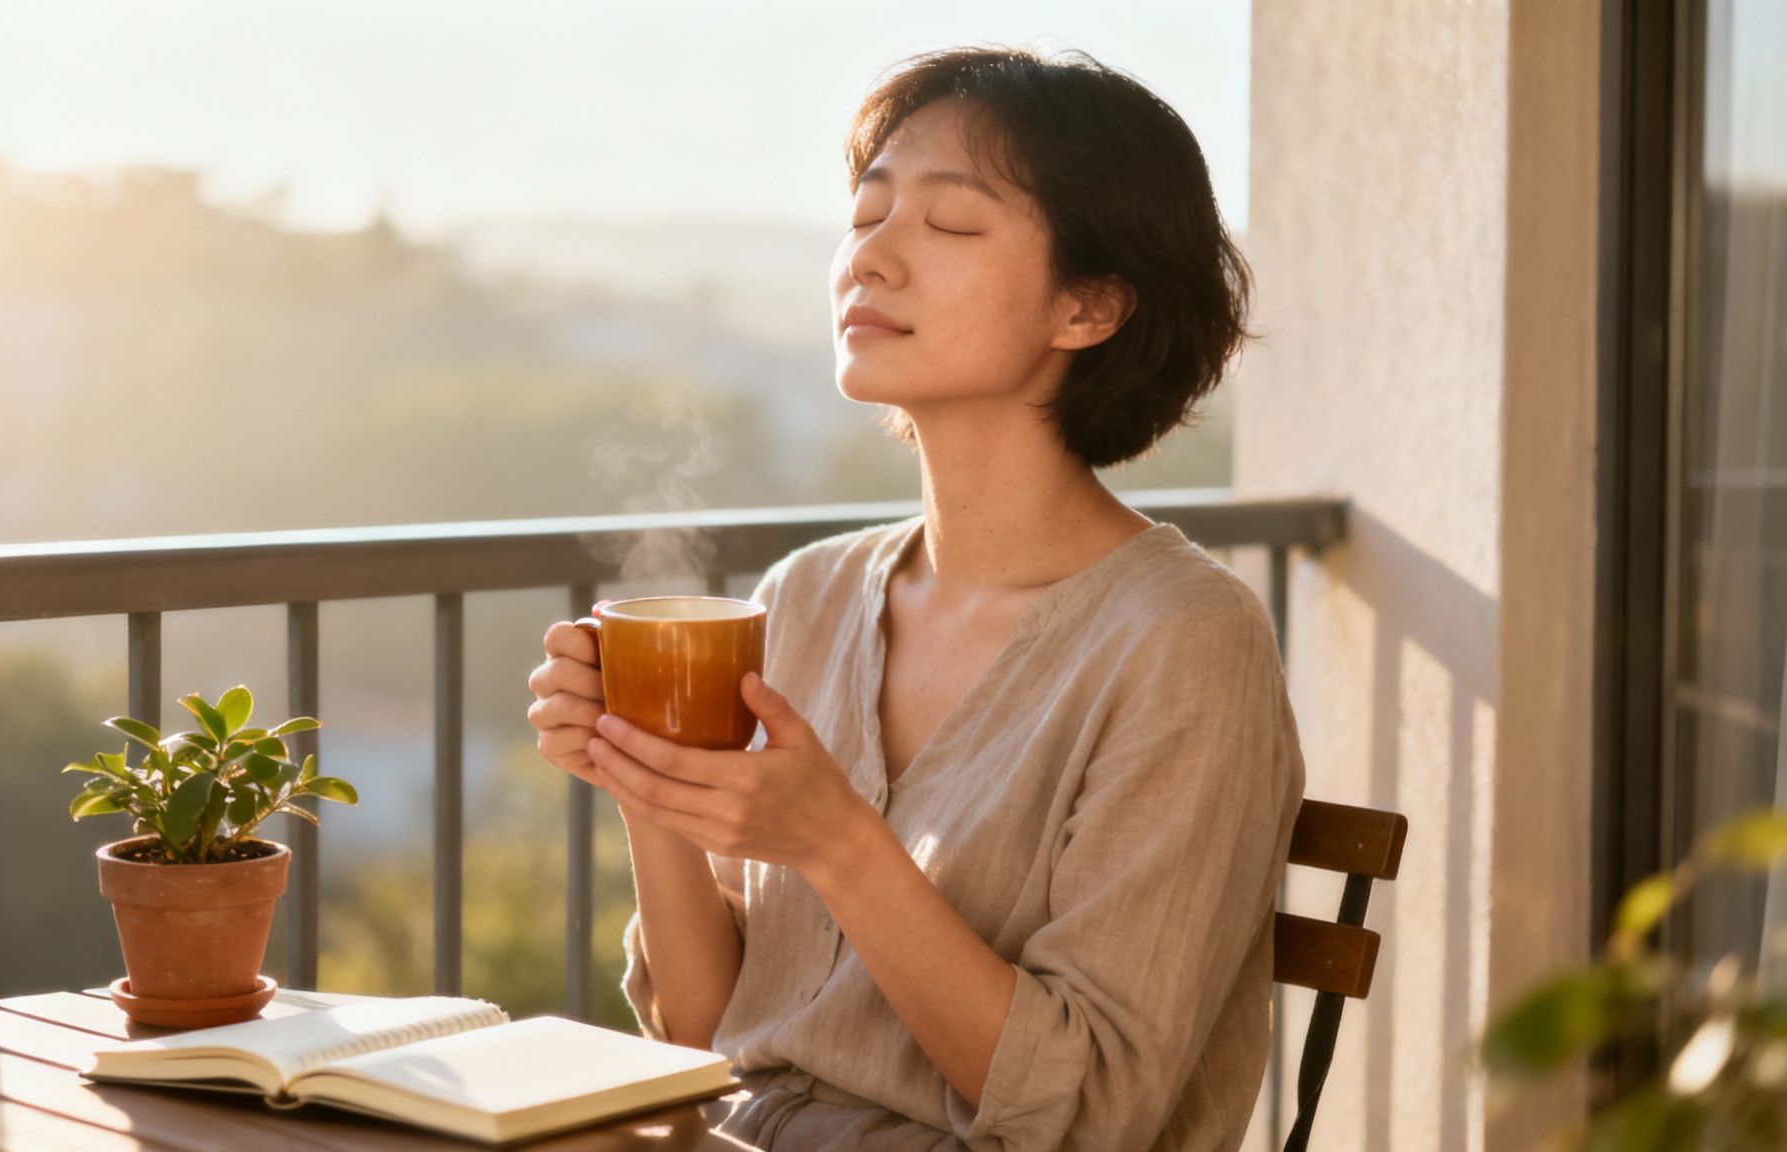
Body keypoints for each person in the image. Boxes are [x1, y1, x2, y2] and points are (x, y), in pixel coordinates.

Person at [526, 45, 1304, 1152]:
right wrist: (646, 779)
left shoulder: (1181, 643)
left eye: (947, 226)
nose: (870, 260)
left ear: (1086, 307)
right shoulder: (810, 594)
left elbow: (1087, 1117)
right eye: (864, 215)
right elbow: (707, 1033)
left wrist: (838, 844)